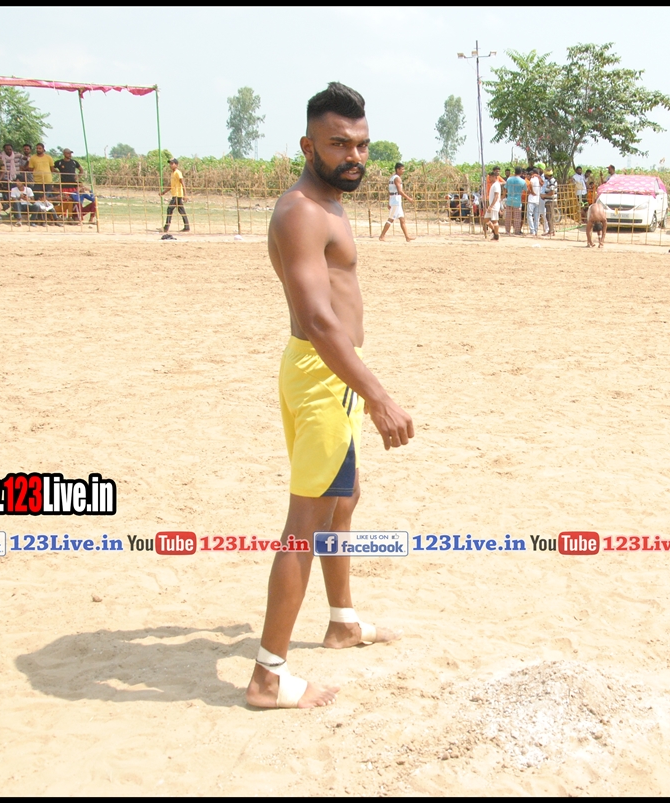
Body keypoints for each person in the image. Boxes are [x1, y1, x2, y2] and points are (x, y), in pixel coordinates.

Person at [252, 82, 412, 710]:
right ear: (307, 145)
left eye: (362, 145)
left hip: (333, 374)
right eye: (339, 144)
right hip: (324, 374)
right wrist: (377, 396)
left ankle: (342, 621)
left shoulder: (329, 202)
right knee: (306, 521)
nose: (355, 156)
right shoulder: (301, 211)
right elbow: (318, 319)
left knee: (343, 500)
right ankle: (268, 677)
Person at [378, 162, 415, 242]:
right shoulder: (397, 178)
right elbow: (400, 191)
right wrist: (408, 198)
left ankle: (407, 237)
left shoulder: (392, 178)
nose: (403, 171)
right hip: (396, 201)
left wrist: (389, 202)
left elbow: (390, 191)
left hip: (394, 200)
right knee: (391, 219)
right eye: (402, 169)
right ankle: (382, 236)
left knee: (402, 219)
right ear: (398, 169)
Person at [160, 157, 190, 233]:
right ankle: (187, 227)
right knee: (181, 211)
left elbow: (182, 183)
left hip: (177, 195)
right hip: (175, 195)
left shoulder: (178, 173)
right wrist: (164, 192)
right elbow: (171, 185)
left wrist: (185, 194)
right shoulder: (172, 174)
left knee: (169, 209)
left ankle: (166, 227)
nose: (170, 165)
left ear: (176, 165)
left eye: (172, 163)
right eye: (170, 163)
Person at [503, 166, 526, 235]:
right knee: (517, 217)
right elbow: (525, 190)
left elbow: (505, 189)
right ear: (521, 172)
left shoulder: (509, 179)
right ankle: (517, 231)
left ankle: (507, 231)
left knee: (508, 217)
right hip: (517, 201)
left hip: (509, 200)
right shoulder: (522, 181)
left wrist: (503, 197)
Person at [485, 166, 502, 240]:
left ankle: (496, 235)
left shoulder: (496, 185)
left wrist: (491, 206)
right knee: (486, 220)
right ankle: (495, 232)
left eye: (490, 177)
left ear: (494, 177)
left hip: (494, 206)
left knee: (495, 221)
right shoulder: (494, 184)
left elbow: (496, 196)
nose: (489, 178)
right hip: (492, 205)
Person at [526, 167, 544, 236]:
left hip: (531, 199)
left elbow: (530, 185)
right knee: (536, 216)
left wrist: (531, 191)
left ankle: (532, 230)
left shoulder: (532, 179)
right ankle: (536, 230)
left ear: (533, 173)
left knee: (529, 215)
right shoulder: (540, 179)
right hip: (537, 200)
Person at [542, 169, 558, 236]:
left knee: (550, 216)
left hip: (550, 200)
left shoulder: (552, 181)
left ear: (547, 175)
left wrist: (544, 195)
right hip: (549, 200)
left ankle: (551, 231)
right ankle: (551, 230)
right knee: (548, 215)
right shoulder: (550, 180)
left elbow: (552, 192)